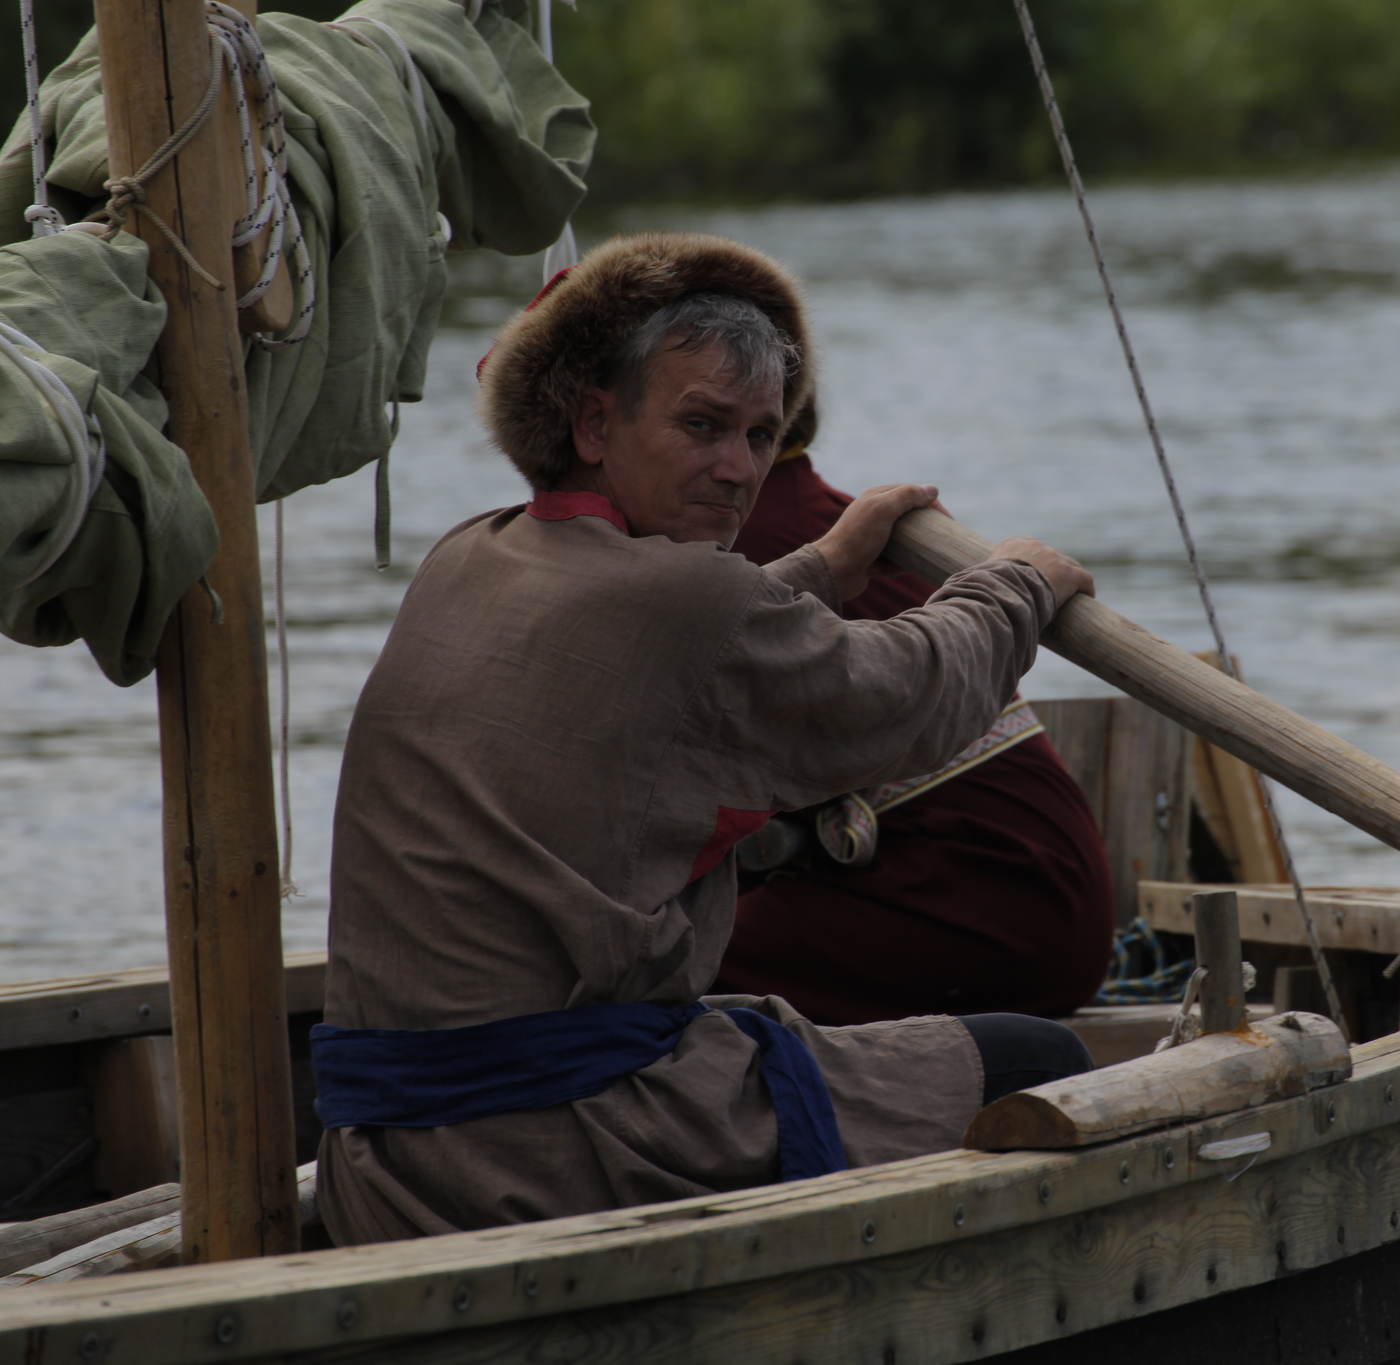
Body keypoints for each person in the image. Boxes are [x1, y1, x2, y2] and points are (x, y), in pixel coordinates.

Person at [314, 232, 1094, 1244]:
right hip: (570, 1147)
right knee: (1044, 1068)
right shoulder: (686, 598)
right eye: (701, 425)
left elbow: (681, 654)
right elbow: (906, 696)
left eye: (761, 436)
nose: (736, 471)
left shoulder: (474, 553)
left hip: (386, 1154)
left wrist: (821, 565)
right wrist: (1014, 583)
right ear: (594, 423)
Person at [712, 400, 1116, 1025]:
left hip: (991, 904)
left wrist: (1018, 588)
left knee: (652, 959)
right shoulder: (821, 519)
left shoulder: (731, 541)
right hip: (1049, 895)